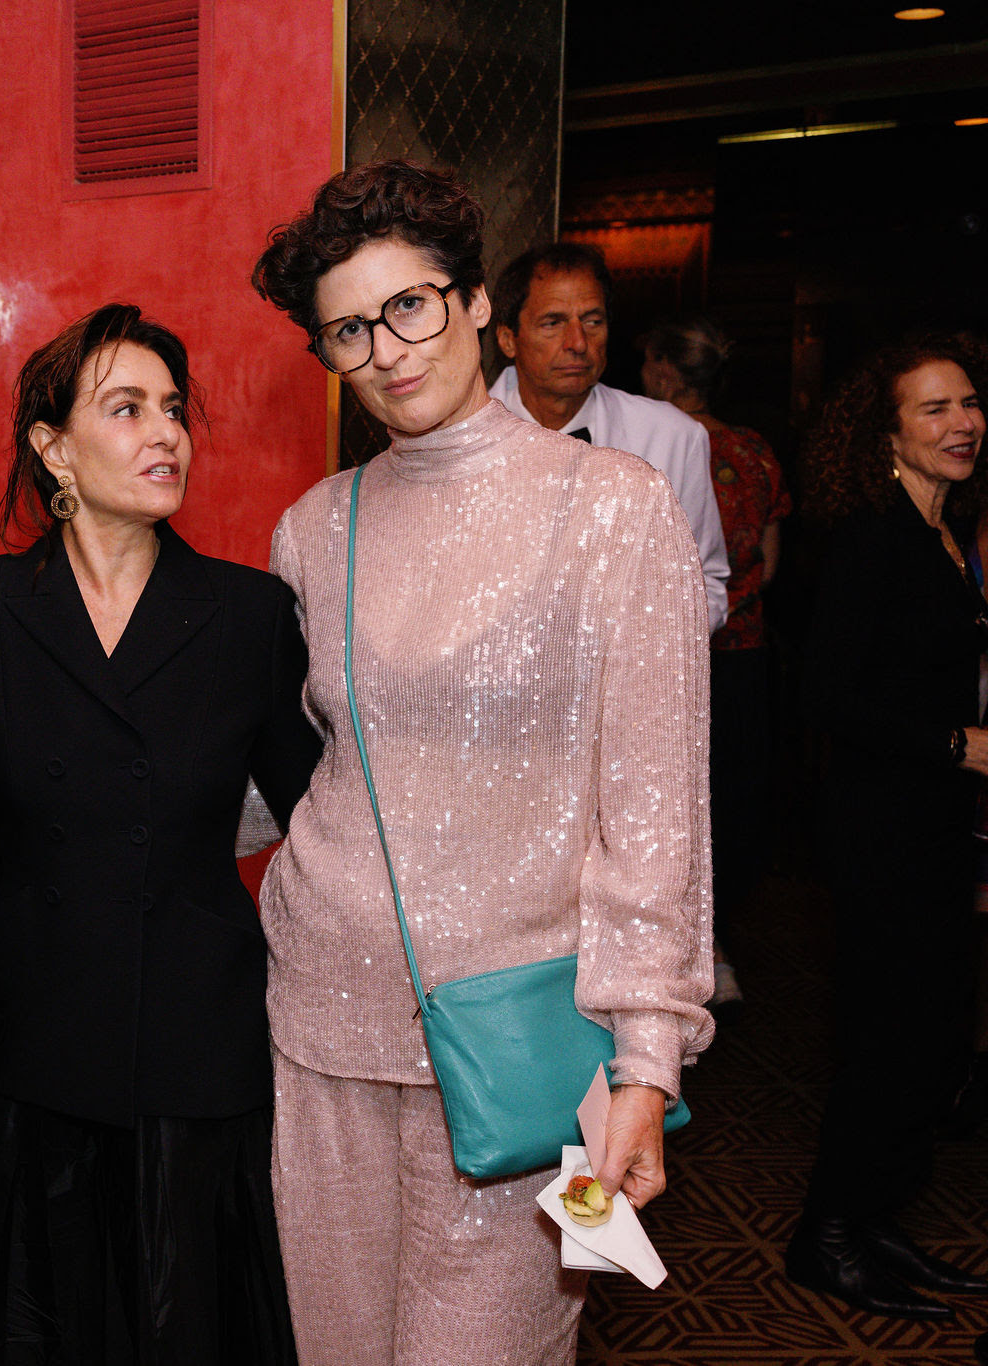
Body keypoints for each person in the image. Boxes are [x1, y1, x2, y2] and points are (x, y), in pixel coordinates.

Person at [249, 160, 715, 1365]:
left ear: (471, 304)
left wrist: (645, 1061)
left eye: (407, 306)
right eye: (347, 330)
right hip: (321, 1025)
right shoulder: (312, 528)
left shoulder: (610, 507)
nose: (386, 352)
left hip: (521, 1051)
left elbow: (654, 813)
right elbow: (286, 768)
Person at [0, 304, 322, 1364]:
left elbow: (321, 822)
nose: (165, 432)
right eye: (125, 409)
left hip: (198, 1050)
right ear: (54, 447)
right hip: (40, 1049)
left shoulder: (247, 614)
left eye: (172, 409)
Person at [787, 334, 988, 1320]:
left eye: (969, 403)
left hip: (937, 829)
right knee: (886, 1041)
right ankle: (826, 1236)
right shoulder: (871, 538)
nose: (963, 423)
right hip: (882, 835)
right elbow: (824, 694)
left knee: (931, 1038)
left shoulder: (946, 529)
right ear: (887, 435)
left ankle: (874, 1219)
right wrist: (955, 744)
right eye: (934, 409)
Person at [640, 316, 791, 1010]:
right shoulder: (753, 449)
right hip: (744, 650)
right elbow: (770, 561)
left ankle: (683, 954)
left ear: (666, 372)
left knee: (668, 804)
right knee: (730, 800)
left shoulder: (653, 446)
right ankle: (716, 942)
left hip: (671, 658)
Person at [489, 242, 732, 633]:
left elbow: (705, 587)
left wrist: (633, 647)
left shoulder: (673, 437)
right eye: (552, 322)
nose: (578, 342)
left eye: (592, 321)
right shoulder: (453, 441)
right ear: (507, 339)